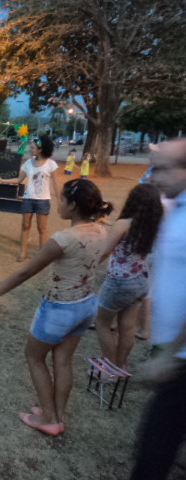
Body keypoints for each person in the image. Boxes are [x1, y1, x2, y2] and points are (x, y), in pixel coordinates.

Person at [0, 179, 112, 436]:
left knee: (34, 357)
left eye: (62, 200)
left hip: (59, 309)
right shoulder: (102, 231)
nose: (58, 203)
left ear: (72, 205)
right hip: (85, 306)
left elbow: (25, 272)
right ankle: (57, 416)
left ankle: (49, 419)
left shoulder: (63, 239)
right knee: (63, 361)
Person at [129, 139, 186, 480]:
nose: (153, 176)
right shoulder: (174, 207)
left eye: (163, 168)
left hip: (181, 360)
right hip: (175, 353)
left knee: (153, 454)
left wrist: (169, 355)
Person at [94, 184, 163, 368]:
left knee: (102, 323)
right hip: (141, 280)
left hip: (119, 281)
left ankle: (109, 368)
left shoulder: (123, 224)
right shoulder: (153, 227)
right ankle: (119, 367)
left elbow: (105, 251)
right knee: (128, 327)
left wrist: (87, 268)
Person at [1, 135, 59, 262]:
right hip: (28, 199)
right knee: (25, 225)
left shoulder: (51, 164)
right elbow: (19, 179)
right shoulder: (28, 163)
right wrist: (2, 180)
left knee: (42, 228)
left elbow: (55, 184)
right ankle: (22, 252)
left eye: (32, 147)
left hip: (43, 200)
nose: (30, 149)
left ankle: (42, 255)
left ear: (40, 149)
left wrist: (60, 202)